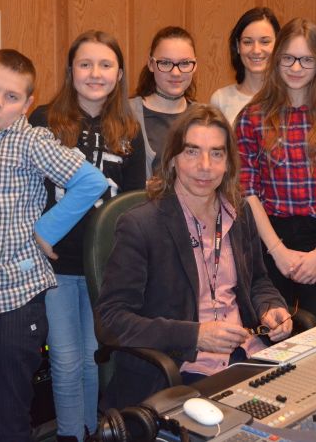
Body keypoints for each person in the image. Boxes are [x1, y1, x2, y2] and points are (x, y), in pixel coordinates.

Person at [0, 50, 108, 442]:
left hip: (10, 301)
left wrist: (45, 230)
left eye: (11, 97)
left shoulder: (29, 141)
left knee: (6, 415)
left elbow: (91, 182)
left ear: (27, 105)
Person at [95, 104, 293, 409]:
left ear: (228, 163)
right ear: (173, 158)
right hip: (180, 372)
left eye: (217, 153)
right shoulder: (141, 225)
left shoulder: (239, 212)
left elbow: (258, 282)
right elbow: (111, 321)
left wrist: (270, 307)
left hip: (248, 357)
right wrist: (194, 335)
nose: (205, 166)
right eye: (192, 152)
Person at [27, 31, 145, 442]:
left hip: (103, 267)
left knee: (94, 357)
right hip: (55, 262)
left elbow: (133, 202)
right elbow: (26, 188)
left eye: (106, 65)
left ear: (119, 74)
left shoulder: (129, 128)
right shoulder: (44, 120)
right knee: (64, 357)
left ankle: (92, 432)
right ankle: (68, 433)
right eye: (85, 64)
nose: (95, 73)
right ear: (70, 70)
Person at [235, 18, 316, 323]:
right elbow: (247, 190)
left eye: (306, 60)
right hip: (269, 240)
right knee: (271, 337)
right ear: (277, 60)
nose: (296, 68)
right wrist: (277, 251)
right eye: (288, 58)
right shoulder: (252, 117)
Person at [129, 26, 198, 178]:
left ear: (195, 66)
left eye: (185, 63)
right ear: (151, 64)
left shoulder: (205, 117)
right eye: (166, 63)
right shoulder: (127, 113)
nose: (176, 73)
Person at [211, 7, 281, 125]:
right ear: (238, 46)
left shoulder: (290, 98)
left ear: (278, 44)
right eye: (247, 42)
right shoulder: (220, 100)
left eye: (265, 42)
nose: (256, 50)